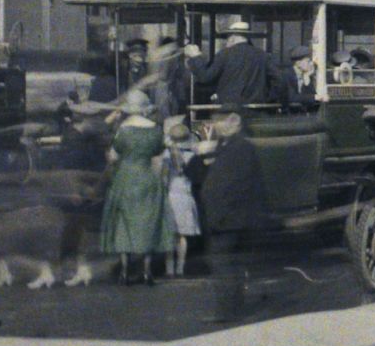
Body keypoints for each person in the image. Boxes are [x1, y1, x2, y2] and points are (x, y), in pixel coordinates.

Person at [98, 87, 175, 285]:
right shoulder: (156, 130)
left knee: (123, 225)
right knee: (147, 223)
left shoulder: (123, 130)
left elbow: (113, 157)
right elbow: (159, 157)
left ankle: (124, 271)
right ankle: (147, 271)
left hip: (126, 177)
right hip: (148, 177)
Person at [199, 109, 266, 255]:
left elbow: (233, 185)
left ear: (237, 122)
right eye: (217, 120)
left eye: (224, 120)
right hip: (225, 220)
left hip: (231, 221)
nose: (219, 125)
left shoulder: (240, 147)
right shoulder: (226, 144)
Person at [190, 19, 281, 107]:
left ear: (232, 38)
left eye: (227, 38)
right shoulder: (262, 55)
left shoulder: (225, 54)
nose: (226, 42)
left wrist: (195, 57)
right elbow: (279, 79)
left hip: (229, 110)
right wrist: (268, 99)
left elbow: (205, 77)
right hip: (256, 108)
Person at [163, 118, 204, 278]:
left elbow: (164, 177)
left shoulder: (167, 155)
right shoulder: (192, 155)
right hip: (186, 196)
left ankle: (169, 267)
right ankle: (181, 266)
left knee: (170, 235)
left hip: (171, 195)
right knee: (182, 236)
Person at [285, 45, 319, 111]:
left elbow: (311, 100)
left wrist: (307, 79)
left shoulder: (307, 75)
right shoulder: (287, 75)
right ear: (298, 63)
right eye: (308, 61)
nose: (311, 64)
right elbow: (292, 98)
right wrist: (314, 97)